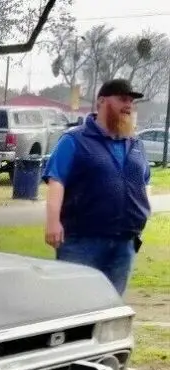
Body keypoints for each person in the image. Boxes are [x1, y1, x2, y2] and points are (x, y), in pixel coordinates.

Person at [42, 78, 152, 295]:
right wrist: (53, 222)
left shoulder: (135, 145)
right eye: (122, 99)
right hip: (82, 241)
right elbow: (56, 181)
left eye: (131, 101)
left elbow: (145, 181)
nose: (128, 105)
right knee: (76, 303)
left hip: (124, 243)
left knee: (111, 308)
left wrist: (144, 213)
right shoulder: (75, 140)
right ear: (102, 101)